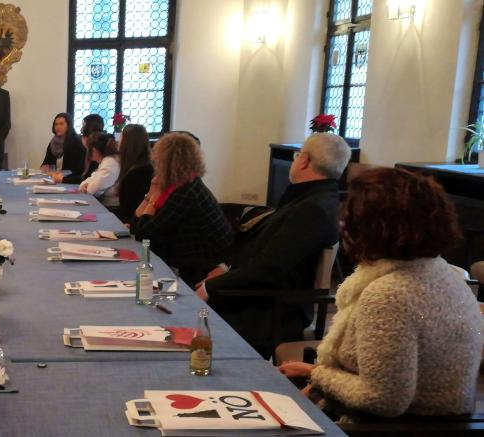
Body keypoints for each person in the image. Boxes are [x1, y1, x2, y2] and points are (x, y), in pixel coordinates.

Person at [278, 168, 482, 421]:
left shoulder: (389, 294)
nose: (343, 224)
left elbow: (383, 399)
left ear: (372, 225)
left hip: (395, 428)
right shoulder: (441, 273)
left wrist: (315, 373)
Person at [195, 133, 349, 357]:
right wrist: (225, 269)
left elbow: (268, 268)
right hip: (264, 297)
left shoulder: (311, 210)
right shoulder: (313, 199)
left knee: (188, 315)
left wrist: (213, 286)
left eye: (297, 155)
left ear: (304, 160)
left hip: (269, 309)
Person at [130, 132, 231, 286]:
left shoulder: (186, 192)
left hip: (196, 265)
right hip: (181, 255)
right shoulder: (180, 184)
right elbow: (135, 226)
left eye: (157, 159)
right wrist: (151, 193)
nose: (155, 163)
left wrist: (154, 195)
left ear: (166, 162)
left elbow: (143, 235)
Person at [115, 124, 153, 224]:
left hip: (132, 225)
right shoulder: (143, 168)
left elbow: (128, 211)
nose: (118, 143)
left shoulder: (137, 174)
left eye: (121, 138)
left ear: (127, 144)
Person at [40, 112, 86, 185]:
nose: (58, 127)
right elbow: (46, 163)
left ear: (68, 126)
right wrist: (44, 167)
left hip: (69, 181)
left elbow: (78, 171)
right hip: (53, 180)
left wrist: (61, 176)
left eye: (61, 124)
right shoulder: (52, 143)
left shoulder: (77, 143)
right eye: (56, 124)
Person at [78, 133, 121, 209]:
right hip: (106, 205)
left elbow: (92, 190)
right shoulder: (106, 161)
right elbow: (86, 183)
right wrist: (86, 184)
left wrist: (87, 185)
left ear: (94, 150)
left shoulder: (110, 163)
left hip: (112, 208)